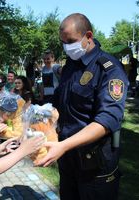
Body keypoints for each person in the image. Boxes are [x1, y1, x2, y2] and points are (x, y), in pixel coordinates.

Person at [36, 13, 129, 200]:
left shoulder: (109, 69)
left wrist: (63, 146)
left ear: (88, 36)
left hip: (94, 162)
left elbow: (108, 119)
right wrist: (41, 114)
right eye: (63, 42)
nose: (66, 47)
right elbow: (61, 100)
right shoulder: (72, 64)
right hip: (67, 157)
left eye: (70, 41)